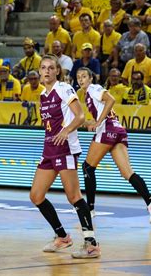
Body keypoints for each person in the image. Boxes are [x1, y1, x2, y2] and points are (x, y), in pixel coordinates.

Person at [30, 55, 100, 259]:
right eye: (43, 67)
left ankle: (91, 243)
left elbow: (80, 116)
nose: (46, 71)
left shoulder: (64, 89)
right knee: (36, 195)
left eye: (51, 68)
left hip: (65, 147)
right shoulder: (43, 94)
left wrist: (66, 130)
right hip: (49, 149)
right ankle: (62, 237)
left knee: (74, 196)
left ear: (57, 71)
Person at [76, 67, 151, 222]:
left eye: (84, 76)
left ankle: (90, 208)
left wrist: (98, 121)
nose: (81, 79)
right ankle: (150, 202)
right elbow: (102, 111)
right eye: (78, 77)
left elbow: (111, 100)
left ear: (90, 79)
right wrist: (88, 122)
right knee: (127, 173)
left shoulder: (94, 89)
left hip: (107, 129)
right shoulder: (88, 94)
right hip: (118, 129)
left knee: (87, 167)